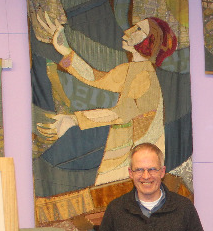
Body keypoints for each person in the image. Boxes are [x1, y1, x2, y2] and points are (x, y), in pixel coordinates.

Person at [37, 13, 177, 186]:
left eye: (138, 29)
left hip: (139, 158)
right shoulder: (131, 69)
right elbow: (94, 77)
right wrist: (65, 51)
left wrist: (75, 120)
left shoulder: (145, 76)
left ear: (150, 41)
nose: (128, 32)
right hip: (123, 151)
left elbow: (120, 113)